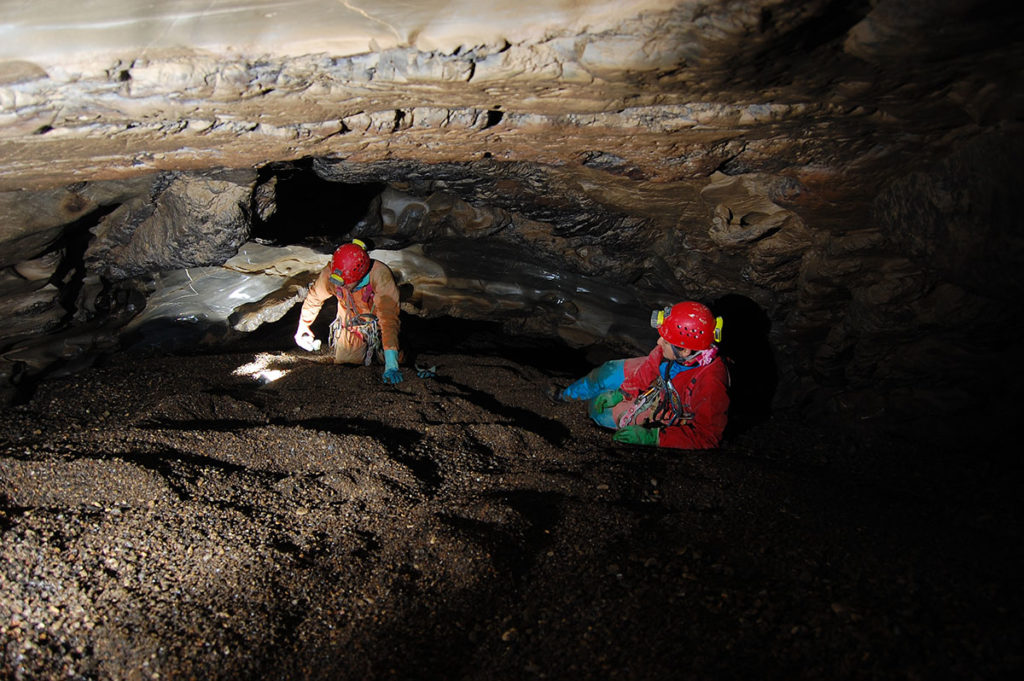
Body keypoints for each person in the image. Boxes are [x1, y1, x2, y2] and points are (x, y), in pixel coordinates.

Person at [559, 301, 730, 449]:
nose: (658, 342)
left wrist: (653, 437)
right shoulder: (675, 349)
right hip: (660, 379)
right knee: (606, 372)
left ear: (685, 350)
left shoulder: (711, 383)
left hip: (667, 404)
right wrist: (623, 393)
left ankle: (585, 406)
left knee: (598, 410)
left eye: (665, 340)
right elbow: (649, 366)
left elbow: (708, 435)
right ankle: (565, 396)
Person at [294, 239, 405, 384]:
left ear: (359, 275)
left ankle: (394, 352)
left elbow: (389, 320)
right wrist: (303, 325)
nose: (341, 285)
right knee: (345, 365)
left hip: (378, 325)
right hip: (351, 324)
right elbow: (315, 297)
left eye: (346, 283)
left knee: (396, 358)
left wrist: (392, 365)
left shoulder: (380, 275)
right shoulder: (332, 275)